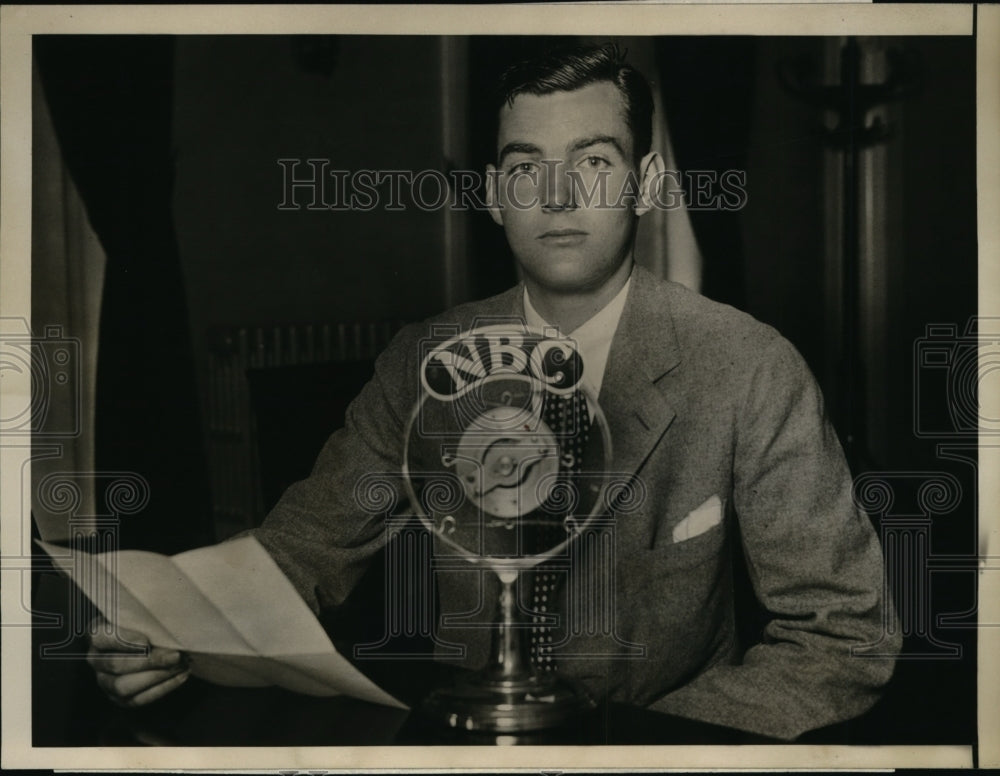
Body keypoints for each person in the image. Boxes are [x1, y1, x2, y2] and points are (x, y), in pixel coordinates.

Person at [88, 43, 900, 740]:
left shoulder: (750, 366)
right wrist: (165, 631)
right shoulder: (423, 363)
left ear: (645, 183)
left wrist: (635, 750)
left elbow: (845, 635)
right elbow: (302, 547)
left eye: (592, 161)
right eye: (525, 166)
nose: (556, 196)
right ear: (489, 192)